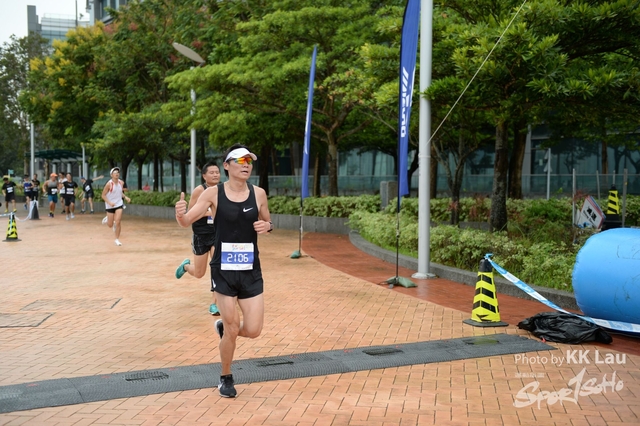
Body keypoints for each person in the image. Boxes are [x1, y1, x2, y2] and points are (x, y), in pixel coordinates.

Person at [174, 144, 272, 398]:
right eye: (240, 160)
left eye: (249, 161)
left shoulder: (259, 193)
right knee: (233, 327)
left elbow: (268, 220)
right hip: (223, 271)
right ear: (227, 165)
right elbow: (187, 221)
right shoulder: (213, 194)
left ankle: (225, 330)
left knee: (253, 330)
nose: (246, 165)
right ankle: (225, 377)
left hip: (251, 270)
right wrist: (180, 214)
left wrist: (268, 226)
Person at [175, 161, 222, 316]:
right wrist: (209, 212)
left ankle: (215, 304)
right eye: (212, 172)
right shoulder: (199, 191)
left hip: (217, 234)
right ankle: (186, 267)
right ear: (204, 176)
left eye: (217, 172)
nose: (215, 175)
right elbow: (191, 213)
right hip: (201, 235)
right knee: (199, 273)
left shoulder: (222, 189)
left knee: (217, 267)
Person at [101, 167, 131, 246]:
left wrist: (126, 197)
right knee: (110, 225)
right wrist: (109, 202)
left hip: (118, 204)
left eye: (118, 172)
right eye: (115, 172)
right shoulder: (109, 184)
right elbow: (103, 195)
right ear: (111, 175)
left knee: (118, 221)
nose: (117, 174)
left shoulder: (121, 182)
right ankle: (108, 219)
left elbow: (120, 192)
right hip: (110, 205)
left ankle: (117, 239)